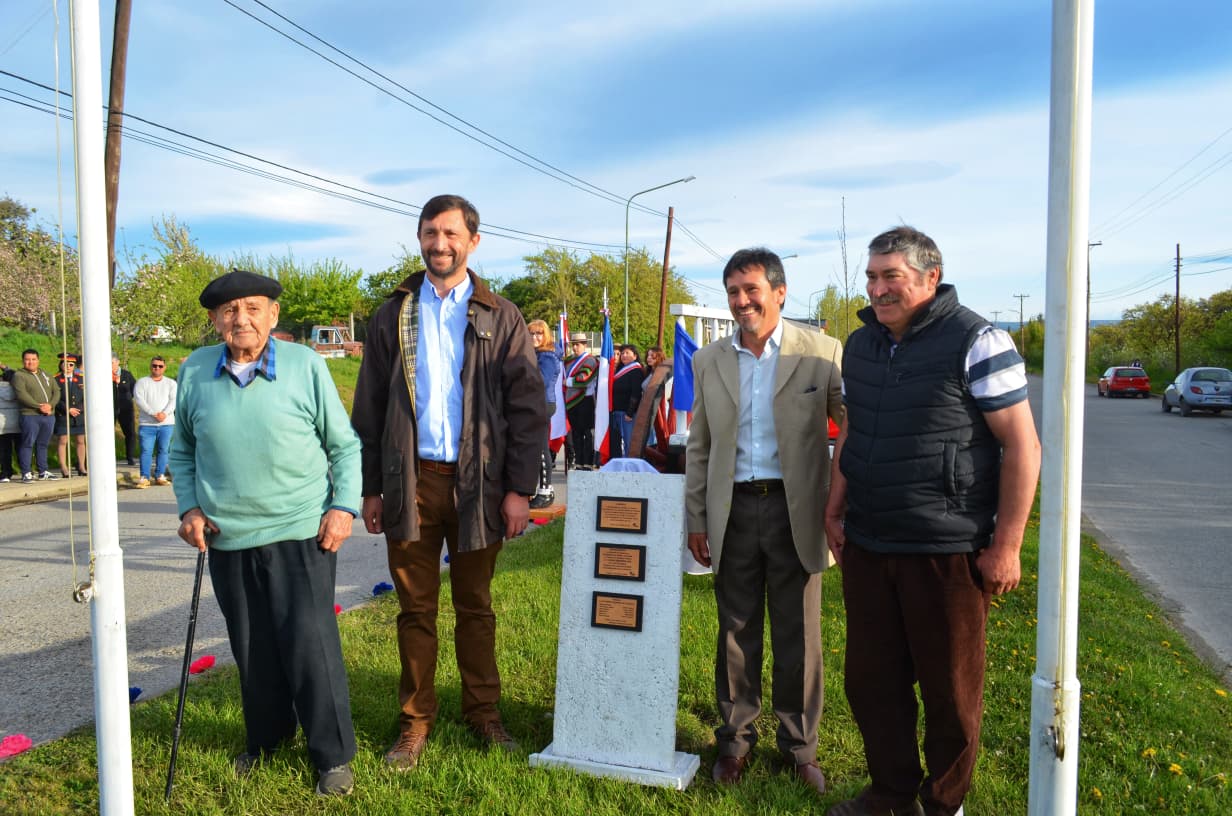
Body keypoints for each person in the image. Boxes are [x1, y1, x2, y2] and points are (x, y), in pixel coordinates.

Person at [822, 227, 1041, 816]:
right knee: (872, 683)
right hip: (869, 543)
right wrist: (834, 507)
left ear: (930, 277)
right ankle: (891, 795)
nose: (877, 289)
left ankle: (944, 805)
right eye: (872, 277)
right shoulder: (860, 346)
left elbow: (1023, 446)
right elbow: (853, 433)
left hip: (947, 550)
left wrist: (1007, 546)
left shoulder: (978, 340)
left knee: (950, 693)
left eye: (891, 276)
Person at [351, 194, 545, 771]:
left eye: (451, 234)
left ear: (473, 241)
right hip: (410, 481)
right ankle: (415, 722)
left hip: (479, 486)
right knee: (415, 610)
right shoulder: (393, 315)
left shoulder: (501, 315)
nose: (440, 244)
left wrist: (518, 490)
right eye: (431, 233)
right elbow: (369, 407)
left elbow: (527, 409)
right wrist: (371, 487)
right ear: (419, 238)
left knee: (475, 606)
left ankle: (483, 713)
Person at [169, 269, 361, 797]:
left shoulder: (304, 365)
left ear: (273, 315)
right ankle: (268, 738)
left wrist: (343, 507)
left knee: (309, 645)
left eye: (253, 308)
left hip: (301, 531)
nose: (242, 319)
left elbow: (343, 445)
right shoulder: (195, 370)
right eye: (230, 311)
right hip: (227, 536)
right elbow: (182, 450)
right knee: (251, 648)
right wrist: (189, 508)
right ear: (215, 320)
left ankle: (332, 756)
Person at [685, 247, 843, 797]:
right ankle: (734, 741)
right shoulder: (708, 360)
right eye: (732, 291)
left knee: (799, 632)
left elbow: (852, 429)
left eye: (751, 289)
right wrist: (696, 516)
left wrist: (842, 505)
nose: (741, 301)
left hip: (797, 511)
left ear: (779, 292)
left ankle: (799, 747)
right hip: (731, 510)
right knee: (735, 629)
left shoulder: (821, 353)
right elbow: (700, 445)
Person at [11, 349, 59, 483]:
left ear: (38, 360)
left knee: (43, 444)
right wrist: (39, 406)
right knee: (27, 443)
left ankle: (43, 471)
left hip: (48, 415)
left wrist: (50, 405)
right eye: (27, 359)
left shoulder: (45, 374)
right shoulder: (19, 376)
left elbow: (56, 391)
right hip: (30, 415)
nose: (30, 362)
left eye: (33, 359)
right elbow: (22, 395)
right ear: (23, 361)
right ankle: (26, 472)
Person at [527, 319, 561, 509]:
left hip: (542, 404)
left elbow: (540, 381)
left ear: (546, 335)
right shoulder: (535, 354)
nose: (535, 337)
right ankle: (536, 489)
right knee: (533, 448)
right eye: (531, 333)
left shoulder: (547, 356)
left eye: (539, 333)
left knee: (541, 448)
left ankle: (546, 491)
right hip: (534, 403)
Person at [133, 355, 177, 488]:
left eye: (160, 366)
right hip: (147, 424)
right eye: (154, 365)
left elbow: (173, 400)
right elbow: (139, 400)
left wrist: (164, 414)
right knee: (146, 450)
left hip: (166, 424)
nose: (157, 368)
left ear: (164, 367)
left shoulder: (171, 383)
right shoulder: (142, 382)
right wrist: (152, 413)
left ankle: (160, 475)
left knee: (164, 450)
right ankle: (144, 477)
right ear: (150, 366)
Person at [561, 332, 599, 468]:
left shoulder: (591, 360)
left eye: (578, 345)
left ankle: (588, 462)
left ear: (585, 345)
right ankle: (578, 462)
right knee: (576, 433)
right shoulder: (569, 360)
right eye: (573, 345)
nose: (575, 347)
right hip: (572, 402)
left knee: (588, 433)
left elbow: (584, 379)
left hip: (586, 401)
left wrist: (567, 382)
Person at [54, 352, 87, 477]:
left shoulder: (81, 378)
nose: (68, 367)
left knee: (80, 440)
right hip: (63, 414)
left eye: (71, 364)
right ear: (60, 365)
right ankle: (64, 468)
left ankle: (82, 467)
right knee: (63, 440)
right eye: (65, 364)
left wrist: (78, 409)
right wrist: (67, 409)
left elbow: (85, 396)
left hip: (79, 414)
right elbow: (55, 398)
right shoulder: (56, 379)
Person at [610, 344, 643, 459]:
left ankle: (630, 465)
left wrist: (630, 412)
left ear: (635, 356)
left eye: (627, 353)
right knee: (616, 444)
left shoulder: (636, 371)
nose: (624, 355)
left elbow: (636, 393)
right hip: (616, 412)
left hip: (627, 415)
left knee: (629, 443)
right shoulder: (620, 370)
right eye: (622, 353)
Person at [111, 353, 138, 466]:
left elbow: (135, 389)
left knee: (130, 433)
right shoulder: (103, 374)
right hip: (110, 408)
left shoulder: (126, 375)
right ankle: (109, 457)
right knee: (107, 433)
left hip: (126, 408)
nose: (110, 365)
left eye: (112, 363)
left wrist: (128, 397)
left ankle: (130, 457)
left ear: (118, 362)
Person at [0, 365, 19, 482]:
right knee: (20, 448)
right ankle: (26, 470)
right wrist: (5, 367)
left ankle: (6, 472)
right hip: (17, 422)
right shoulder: (19, 389)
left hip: (2, 424)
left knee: (4, 450)